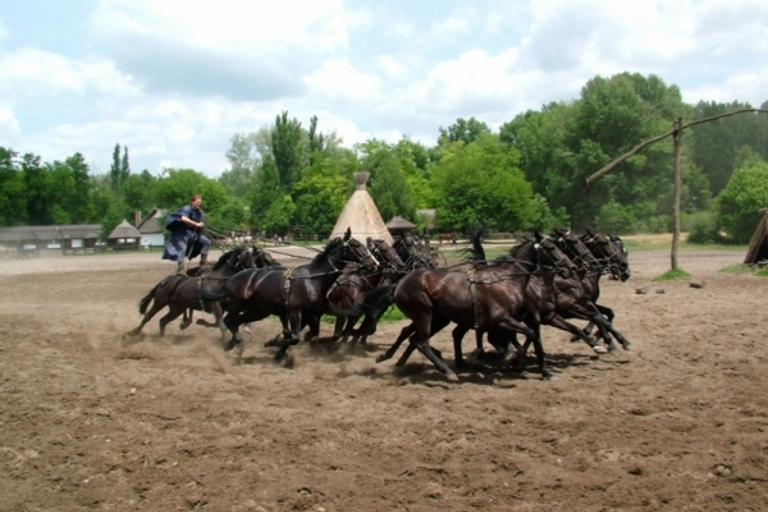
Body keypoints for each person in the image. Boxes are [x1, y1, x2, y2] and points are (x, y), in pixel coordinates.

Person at [162, 194, 212, 275]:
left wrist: (202, 224)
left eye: (200, 202)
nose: (200, 203)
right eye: (198, 202)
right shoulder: (187, 208)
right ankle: (180, 269)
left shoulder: (200, 212)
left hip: (194, 234)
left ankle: (203, 262)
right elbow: (183, 218)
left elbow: (202, 222)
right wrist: (196, 224)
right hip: (183, 233)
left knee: (207, 241)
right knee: (183, 248)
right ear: (192, 202)